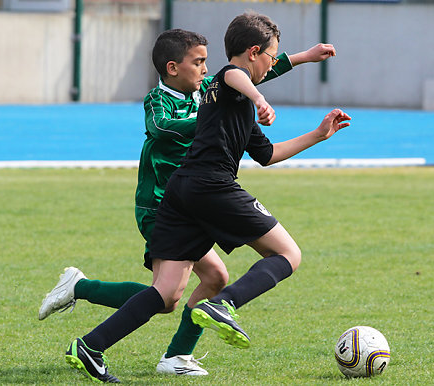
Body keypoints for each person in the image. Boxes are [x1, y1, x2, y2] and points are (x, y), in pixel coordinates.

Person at [43, 23, 341, 382]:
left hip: (181, 195)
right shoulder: (214, 87)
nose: (205, 69)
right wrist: (253, 100)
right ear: (252, 54)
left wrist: (318, 130)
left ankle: (95, 346)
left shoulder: (222, 97)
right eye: (198, 62)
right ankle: (223, 306)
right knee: (288, 255)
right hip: (189, 193)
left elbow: (266, 151)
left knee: (175, 291)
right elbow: (233, 77)